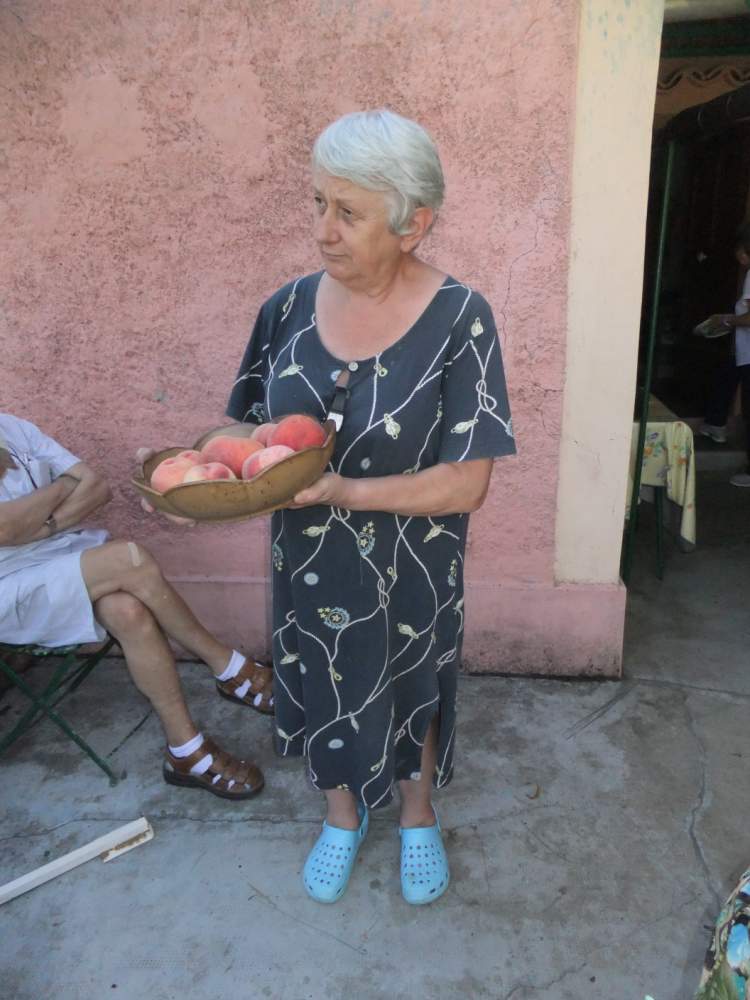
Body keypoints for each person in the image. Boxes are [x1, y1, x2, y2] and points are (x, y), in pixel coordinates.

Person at [227, 109, 516, 903]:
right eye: (318, 202)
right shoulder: (286, 308)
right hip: (309, 561)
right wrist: (205, 479)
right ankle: (341, 816)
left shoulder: (461, 318)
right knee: (322, 676)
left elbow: (468, 482)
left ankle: (417, 814)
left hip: (415, 565)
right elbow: (247, 430)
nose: (323, 230)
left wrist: (346, 490)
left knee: (412, 680)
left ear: (413, 224)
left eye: (348, 212)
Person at [0, 412, 271, 799]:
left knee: (128, 611)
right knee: (130, 559)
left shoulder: (13, 427)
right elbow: (6, 528)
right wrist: (63, 488)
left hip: (59, 556)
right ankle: (229, 667)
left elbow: (96, 487)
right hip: (10, 587)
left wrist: (42, 525)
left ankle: (185, 751)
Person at [698, 221, 750, 487]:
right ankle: (715, 423)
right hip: (743, 353)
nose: (737, 255)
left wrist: (726, 320)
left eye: (739, 249)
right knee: (726, 374)